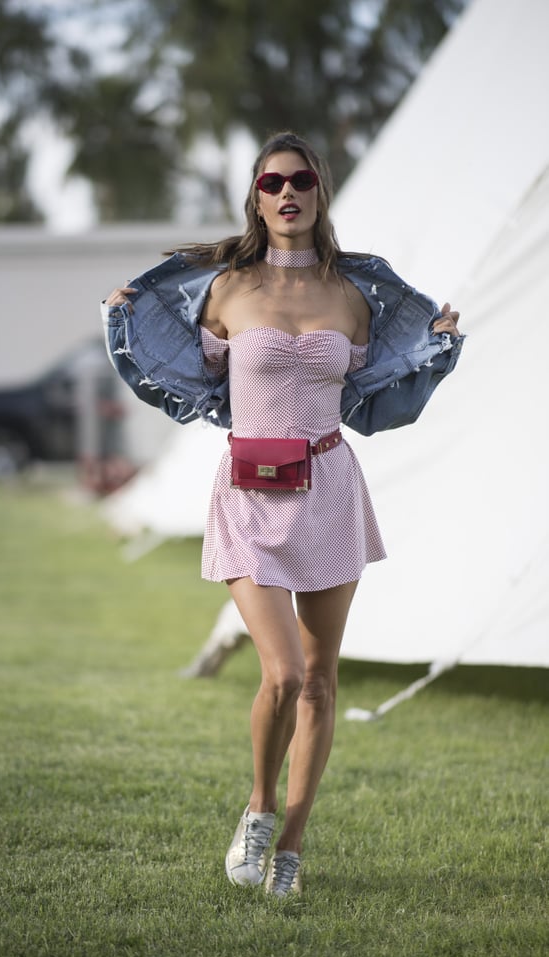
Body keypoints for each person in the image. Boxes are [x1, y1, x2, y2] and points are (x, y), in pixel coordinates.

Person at [103, 131, 462, 897]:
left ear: (320, 191)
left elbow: (389, 377)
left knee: (321, 683)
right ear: (256, 195)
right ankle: (258, 809)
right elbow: (177, 365)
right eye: (272, 181)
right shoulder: (227, 288)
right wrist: (126, 320)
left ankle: (291, 849)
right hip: (248, 493)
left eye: (301, 178)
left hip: (329, 490)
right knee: (282, 674)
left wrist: (437, 343)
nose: (287, 191)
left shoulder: (354, 295)